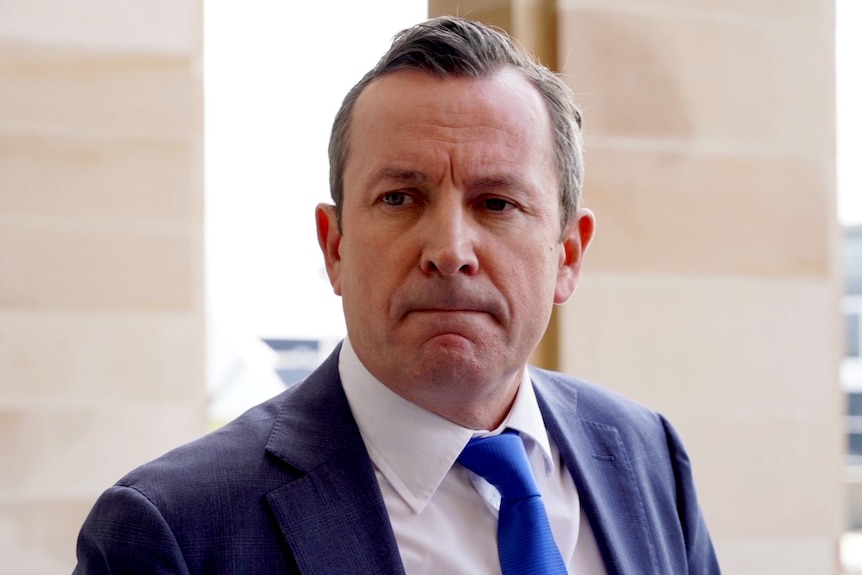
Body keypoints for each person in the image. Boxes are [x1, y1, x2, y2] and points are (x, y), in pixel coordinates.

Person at [73, 16, 720, 575]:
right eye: (400, 197)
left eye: (496, 202)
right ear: (335, 246)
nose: (449, 249)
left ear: (568, 255)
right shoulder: (174, 533)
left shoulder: (646, 455)